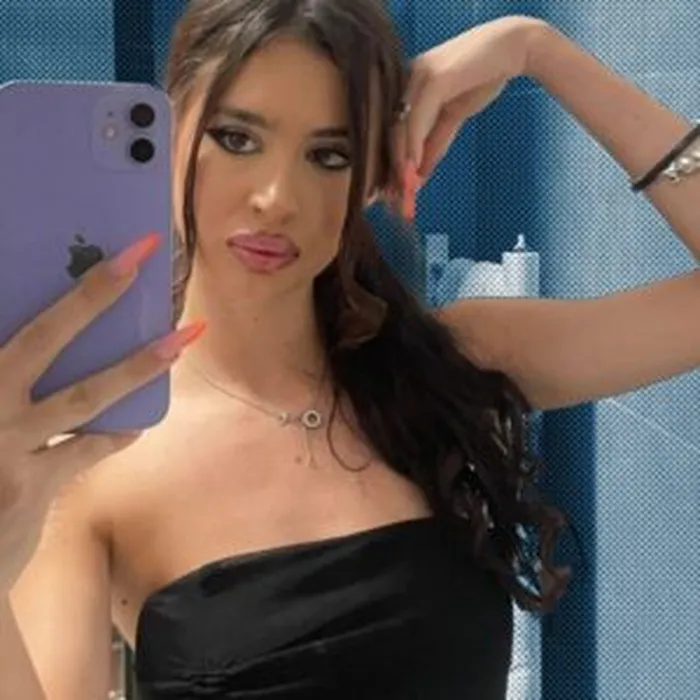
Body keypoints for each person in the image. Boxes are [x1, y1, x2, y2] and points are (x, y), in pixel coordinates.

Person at [1, 1, 698, 698]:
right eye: (237, 138)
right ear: (173, 136)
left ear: (368, 178)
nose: (276, 198)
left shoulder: (448, 366)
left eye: (328, 155)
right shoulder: (89, 467)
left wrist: (541, 52)